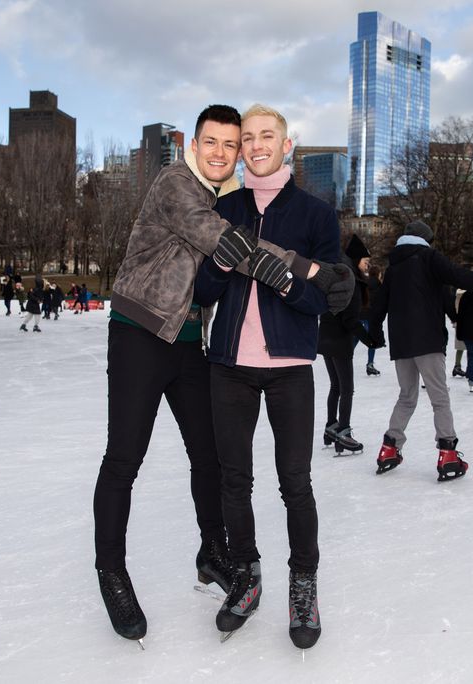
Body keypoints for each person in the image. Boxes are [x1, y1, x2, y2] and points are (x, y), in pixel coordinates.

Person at [94, 104, 349, 646]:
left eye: (231, 145)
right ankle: (112, 573)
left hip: (190, 340)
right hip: (141, 330)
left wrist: (329, 278)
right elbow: (233, 247)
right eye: (214, 142)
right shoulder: (176, 184)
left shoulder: (229, 200)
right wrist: (311, 270)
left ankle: (214, 551)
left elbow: (221, 274)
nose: (223, 152)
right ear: (194, 143)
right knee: (124, 459)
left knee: (210, 459)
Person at [193, 104, 349, 649]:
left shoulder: (316, 215)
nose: (257, 145)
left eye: (268, 136)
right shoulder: (224, 207)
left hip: (289, 371)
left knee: (295, 483)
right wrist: (216, 263)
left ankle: (303, 584)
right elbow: (201, 294)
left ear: (287, 145)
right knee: (233, 480)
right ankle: (246, 574)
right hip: (230, 367)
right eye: (249, 137)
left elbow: (326, 297)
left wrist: (285, 282)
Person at [368, 220, 473, 482]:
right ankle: (448, 453)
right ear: (425, 240)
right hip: (428, 341)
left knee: (407, 396)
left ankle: (389, 448)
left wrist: (376, 334)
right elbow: (464, 277)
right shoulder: (429, 258)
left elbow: (378, 306)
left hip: (402, 343)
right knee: (439, 398)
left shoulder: (394, 267)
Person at [318, 234, 380, 454]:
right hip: (338, 339)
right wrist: (370, 339)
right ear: (356, 259)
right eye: (365, 260)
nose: (368, 264)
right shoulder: (350, 279)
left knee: (336, 386)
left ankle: (331, 426)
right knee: (347, 389)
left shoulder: (339, 273)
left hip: (325, 337)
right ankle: (343, 432)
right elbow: (350, 320)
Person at [359, 264, 383, 375]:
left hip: (360, 315)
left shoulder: (364, 283)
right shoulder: (379, 286)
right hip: (370, 317)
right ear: (378, 274)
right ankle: (370, 364)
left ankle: (345, 358)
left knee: (355, 338)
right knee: (371, 341)